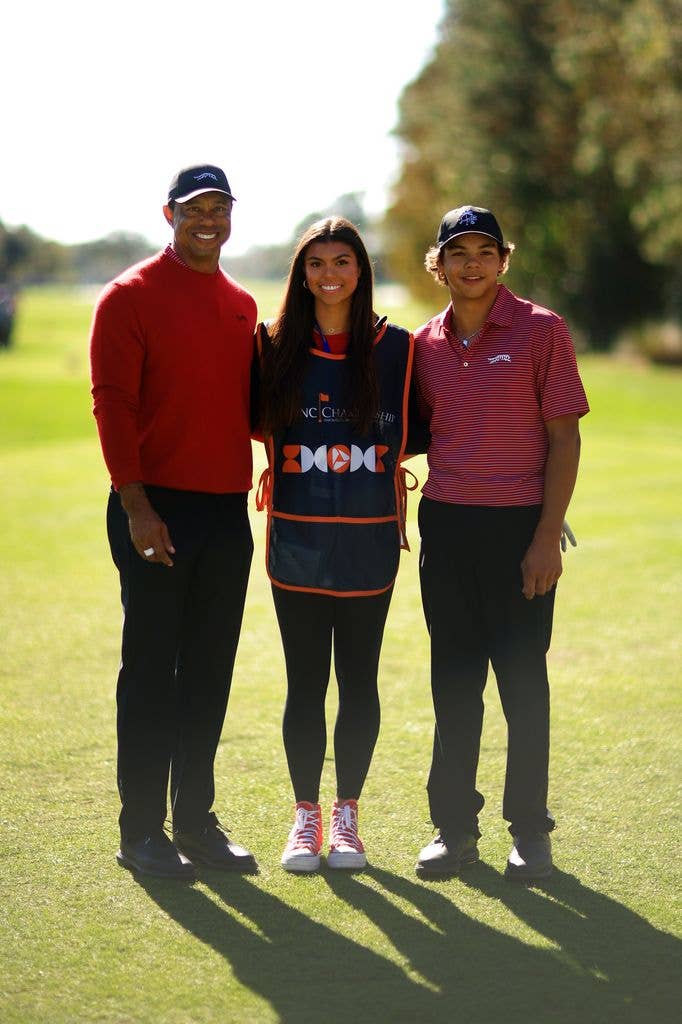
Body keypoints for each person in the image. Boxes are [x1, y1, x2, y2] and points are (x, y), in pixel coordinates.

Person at [90, 164, 259, 880]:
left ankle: (195, 822)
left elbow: (253, 408)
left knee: (209, 674)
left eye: (220, 208)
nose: (208, 220)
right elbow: (113, 406)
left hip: (225, 512)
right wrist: (136, 506)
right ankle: (141, 831)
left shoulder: (243, 306)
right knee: (154, 673)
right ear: (169, 214)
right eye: (195, 209)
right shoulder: (128, 296)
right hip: (154, 507)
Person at [413, 205, 589, 882]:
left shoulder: (542, 330)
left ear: (503, 260)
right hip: (448, 528)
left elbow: (565, 437)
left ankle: (530, 836)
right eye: (459, 252)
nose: (472, 263)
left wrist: (548, 535)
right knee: (454, 685)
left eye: (486, 251)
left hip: (520, 530)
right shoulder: (425, 344)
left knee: (522, 685)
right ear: (440, 266)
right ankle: (453, 832)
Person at [256, 217, 420, 873]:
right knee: (304, 686)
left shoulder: (398, 349)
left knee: (358, 682)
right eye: (316, 263)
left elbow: (437, 426)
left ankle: (347, 818)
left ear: (361, 270)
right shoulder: (271, 348)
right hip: (295, 542)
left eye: (342, 261)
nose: (330, 275)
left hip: (369, 544)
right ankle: (305, 819)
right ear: (301, 274)